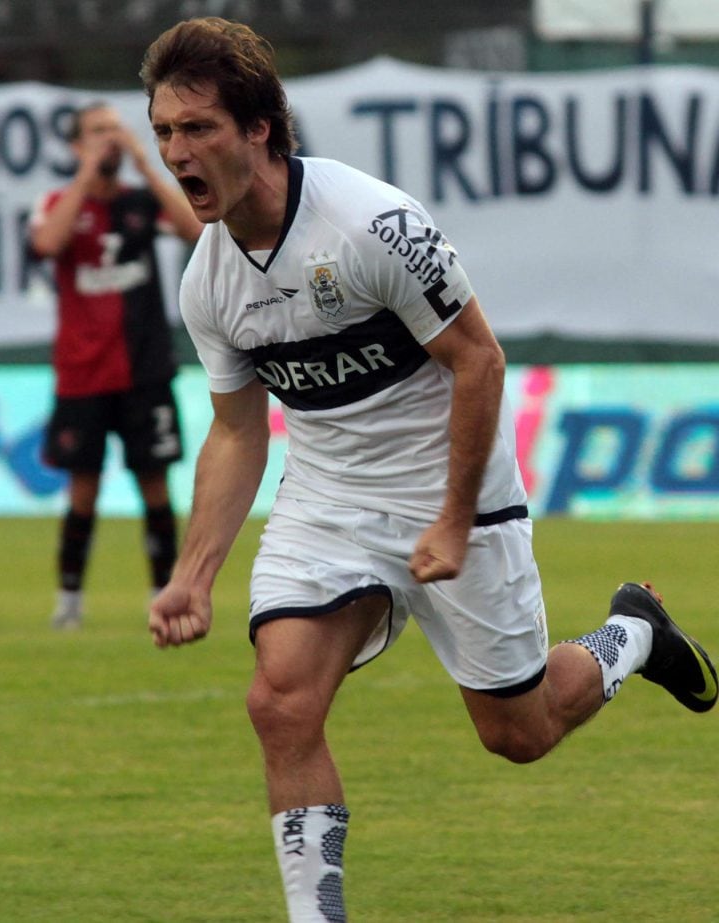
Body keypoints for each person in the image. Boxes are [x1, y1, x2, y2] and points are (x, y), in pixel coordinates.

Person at [140, 18, 718, 922]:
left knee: (518, 734)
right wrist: (193, 573)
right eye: (165, 131)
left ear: (258, 127)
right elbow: (238, 432)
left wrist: (451, 518)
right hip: (328, 499)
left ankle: (632, 633)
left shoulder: (372, 224)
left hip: (454, 492)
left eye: (198, 128)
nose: (178, 151)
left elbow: (479, 361)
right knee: (278, 699)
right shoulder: (208, 281)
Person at [29, 102, 204, 629]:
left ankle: (164, 594)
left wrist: (148, 165)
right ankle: (69, 603)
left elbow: (197, 230)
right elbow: (47, 243)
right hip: (82, 373)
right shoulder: (57, 202)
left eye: (114, 129)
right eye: (96, 132)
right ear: (77, 145)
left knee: (155, 484)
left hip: (145, 368)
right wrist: (87, 173)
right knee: (83, 487)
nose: (109, 139)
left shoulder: (141, 201)